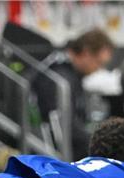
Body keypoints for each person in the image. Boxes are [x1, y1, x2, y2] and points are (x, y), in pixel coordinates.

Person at [32, 28, 114, 161]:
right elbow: (63, 126)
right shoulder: (60, 77)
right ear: (86, 53)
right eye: (98, 63)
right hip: (51, 154)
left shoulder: (66, 71)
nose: (98, 70)